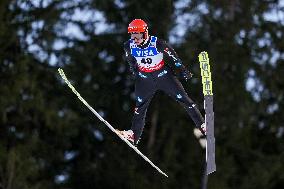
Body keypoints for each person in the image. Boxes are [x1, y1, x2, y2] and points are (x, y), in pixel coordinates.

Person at [117, 19, 206, 145]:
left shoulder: (157, 43)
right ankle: (134, 135)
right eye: (132, 35)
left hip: (164, 76)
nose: (135, 38)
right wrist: (136, 73)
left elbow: (173, 57)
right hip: (145, 79)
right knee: (139, 107)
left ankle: (202, 125)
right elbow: (131, 61)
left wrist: (182, 70)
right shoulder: (128, 46)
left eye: (137, 35)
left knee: (185, 99)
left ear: (145, 33)